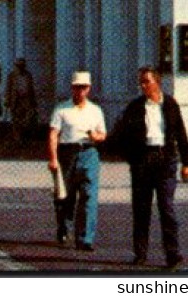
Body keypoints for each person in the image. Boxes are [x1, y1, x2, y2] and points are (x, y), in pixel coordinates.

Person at [110, 66, 188, 269]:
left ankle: (173, 255)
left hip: (165, 160)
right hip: (142, 161)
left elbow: (181, 133)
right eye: (141, 82)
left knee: (167, 208)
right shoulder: (135, 107)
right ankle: (140, 253)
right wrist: (132, 158)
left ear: (157, 82)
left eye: (147, 81)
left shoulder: (170, 104)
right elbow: (121, 135)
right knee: (141, 210)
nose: (143, 86)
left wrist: (187, 162)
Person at [48, 70, 107, 251]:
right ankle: (64, 226)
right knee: (66, 195)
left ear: (88, 89)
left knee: (89, 195)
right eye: (76, 87)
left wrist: (95, 136)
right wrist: (53, 159)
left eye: (83, 87)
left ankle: (85, 238)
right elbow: (53, 135)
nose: (80, 91)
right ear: (72, 88)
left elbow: (103, 134)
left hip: (89, 152)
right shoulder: (62, 109)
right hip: (67, 152)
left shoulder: (95, 111)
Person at [6, 59, 40, 145]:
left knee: (27, 120)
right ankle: (18, 139)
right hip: (16, 100)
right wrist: (7, 100)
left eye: (22, 66)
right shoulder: (11, 76)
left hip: (26, 100)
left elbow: (31, 88)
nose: (20, 67)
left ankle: (24, 138)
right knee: (16, 120)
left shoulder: (28, 75)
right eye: (18, 66)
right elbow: (8, 89)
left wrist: (33, 100)